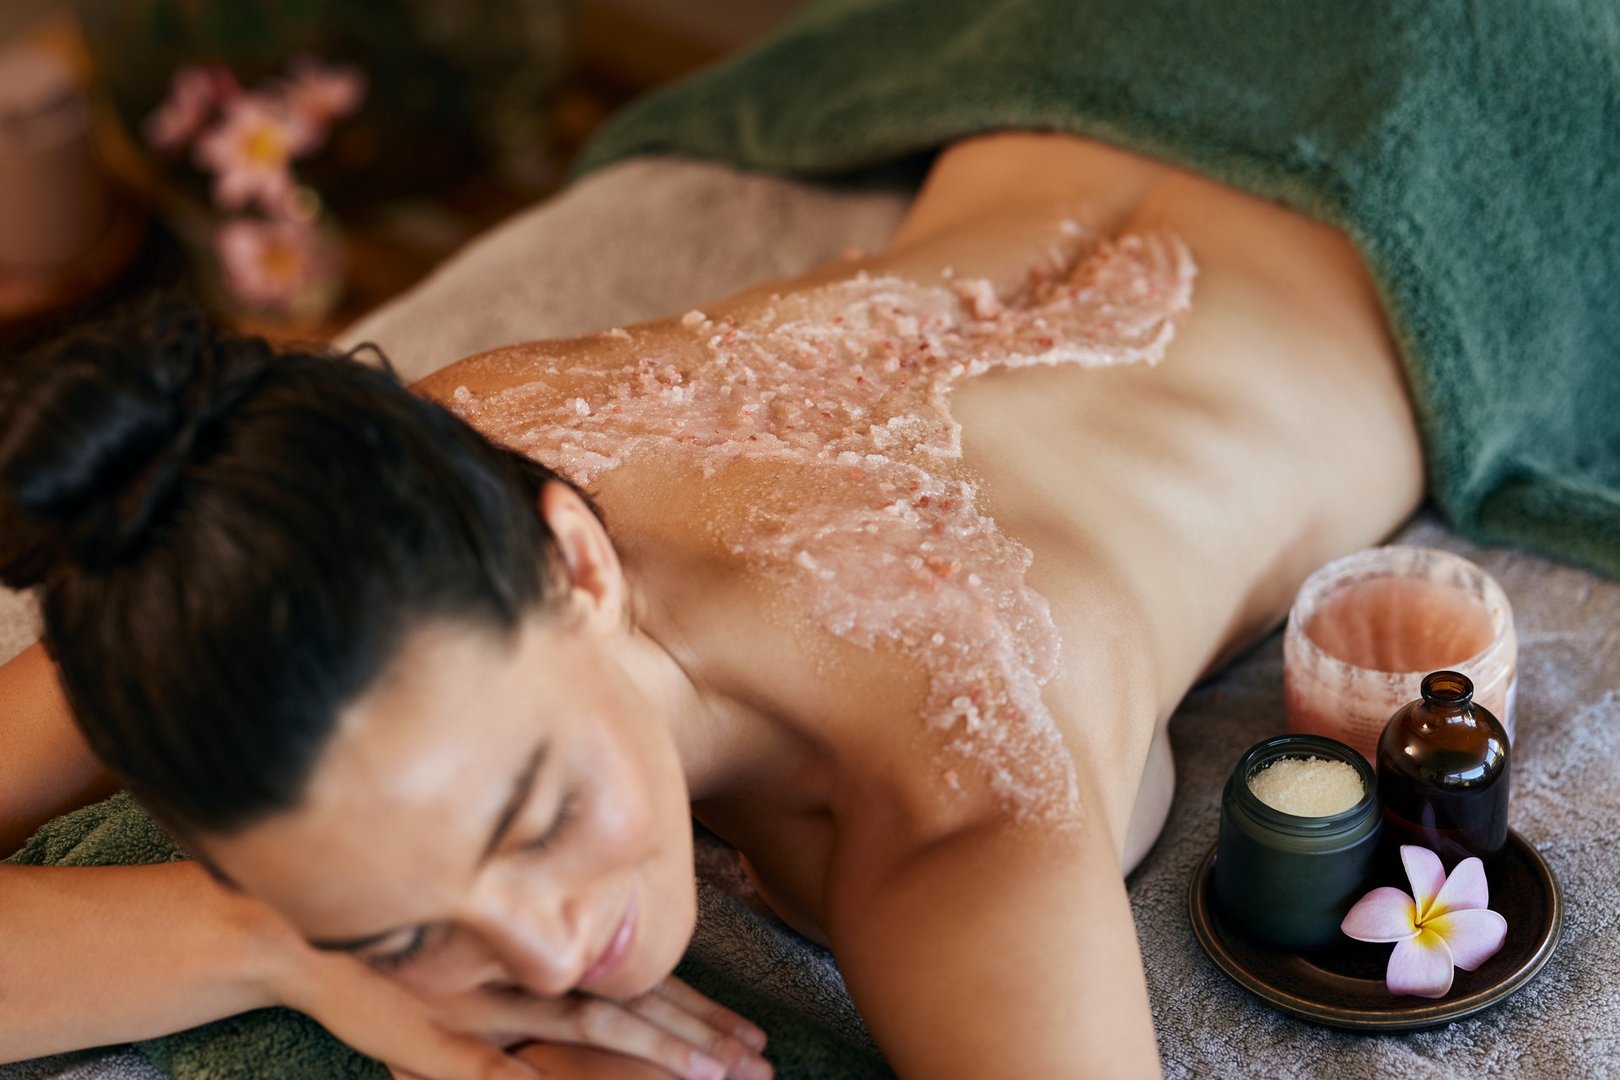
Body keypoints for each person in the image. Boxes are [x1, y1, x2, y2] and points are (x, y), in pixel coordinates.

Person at [0, 131, 1423, 1078]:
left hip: (1423, 169)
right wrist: (264, 944)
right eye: (397, 930)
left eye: (540, 813)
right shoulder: (341, 528)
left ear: (579, 563)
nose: (548, 955)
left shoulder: (959, 812)